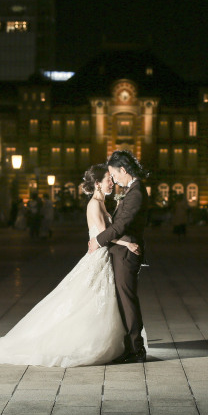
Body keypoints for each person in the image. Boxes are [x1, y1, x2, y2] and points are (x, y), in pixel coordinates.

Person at [0, 164, 140, 367]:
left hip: (101, 258)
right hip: (98, 258)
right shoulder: (94, 204)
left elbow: (103, 235)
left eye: (111, 179)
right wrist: (127, 243)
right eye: (107, 179)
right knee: (82, 301)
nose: (111, 182)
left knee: (92, 301)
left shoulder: (101, 203)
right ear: (97, 183)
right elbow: (104, 235)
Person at [87, 150, 149, 364]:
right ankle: (130, 345)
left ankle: (136, 348)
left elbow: (121, 225)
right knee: (123, 299)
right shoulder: (131, 191)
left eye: (114, 175)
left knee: (127, 299)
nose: (113, 179)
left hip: (126, 254)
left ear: (123, 170)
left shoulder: (136, 192)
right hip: (122, 250)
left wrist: (99, 240)